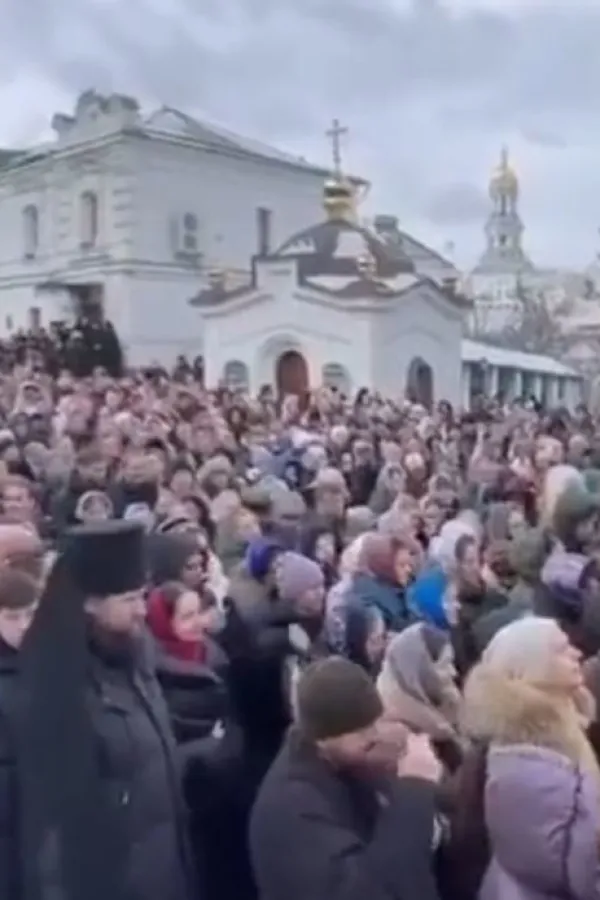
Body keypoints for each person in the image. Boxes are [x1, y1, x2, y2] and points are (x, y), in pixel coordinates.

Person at [16, 521, 195, 900]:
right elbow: (52, 833)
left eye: (142, 596)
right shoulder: (54, 686)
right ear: (90, 604)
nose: (142, 610)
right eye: (128, 599)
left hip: (164, 875)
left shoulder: (135, 658)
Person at [250, 656, 442, 900]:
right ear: (324, 736)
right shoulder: (291, 808)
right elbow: (369, 889)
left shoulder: (339, 764)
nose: (374, 736)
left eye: (374, 723)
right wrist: (414, 788)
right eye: (361, 730)